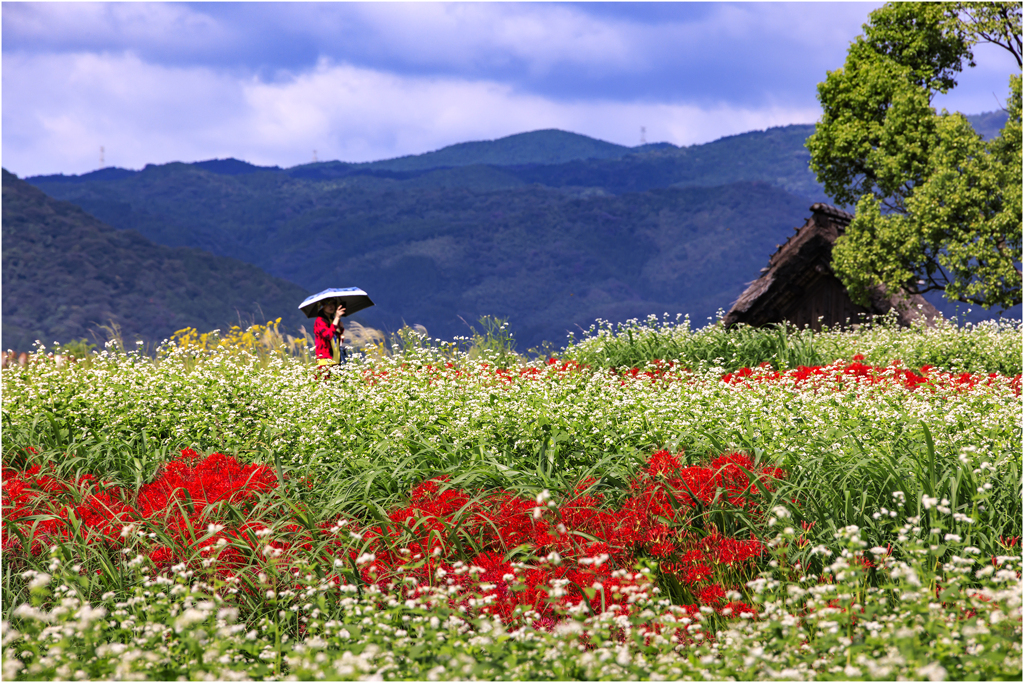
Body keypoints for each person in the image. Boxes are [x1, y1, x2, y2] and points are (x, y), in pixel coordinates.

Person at [314, 298, 346, 367]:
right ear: (322, 307)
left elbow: (337, 340)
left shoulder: (332, 320)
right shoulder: (319, 321)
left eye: (333, 304)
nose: (331, 306)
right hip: (324, 361)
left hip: (336, 360)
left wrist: (341, 329)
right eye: (328, 304)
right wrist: (337, 317)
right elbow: (328, 335)